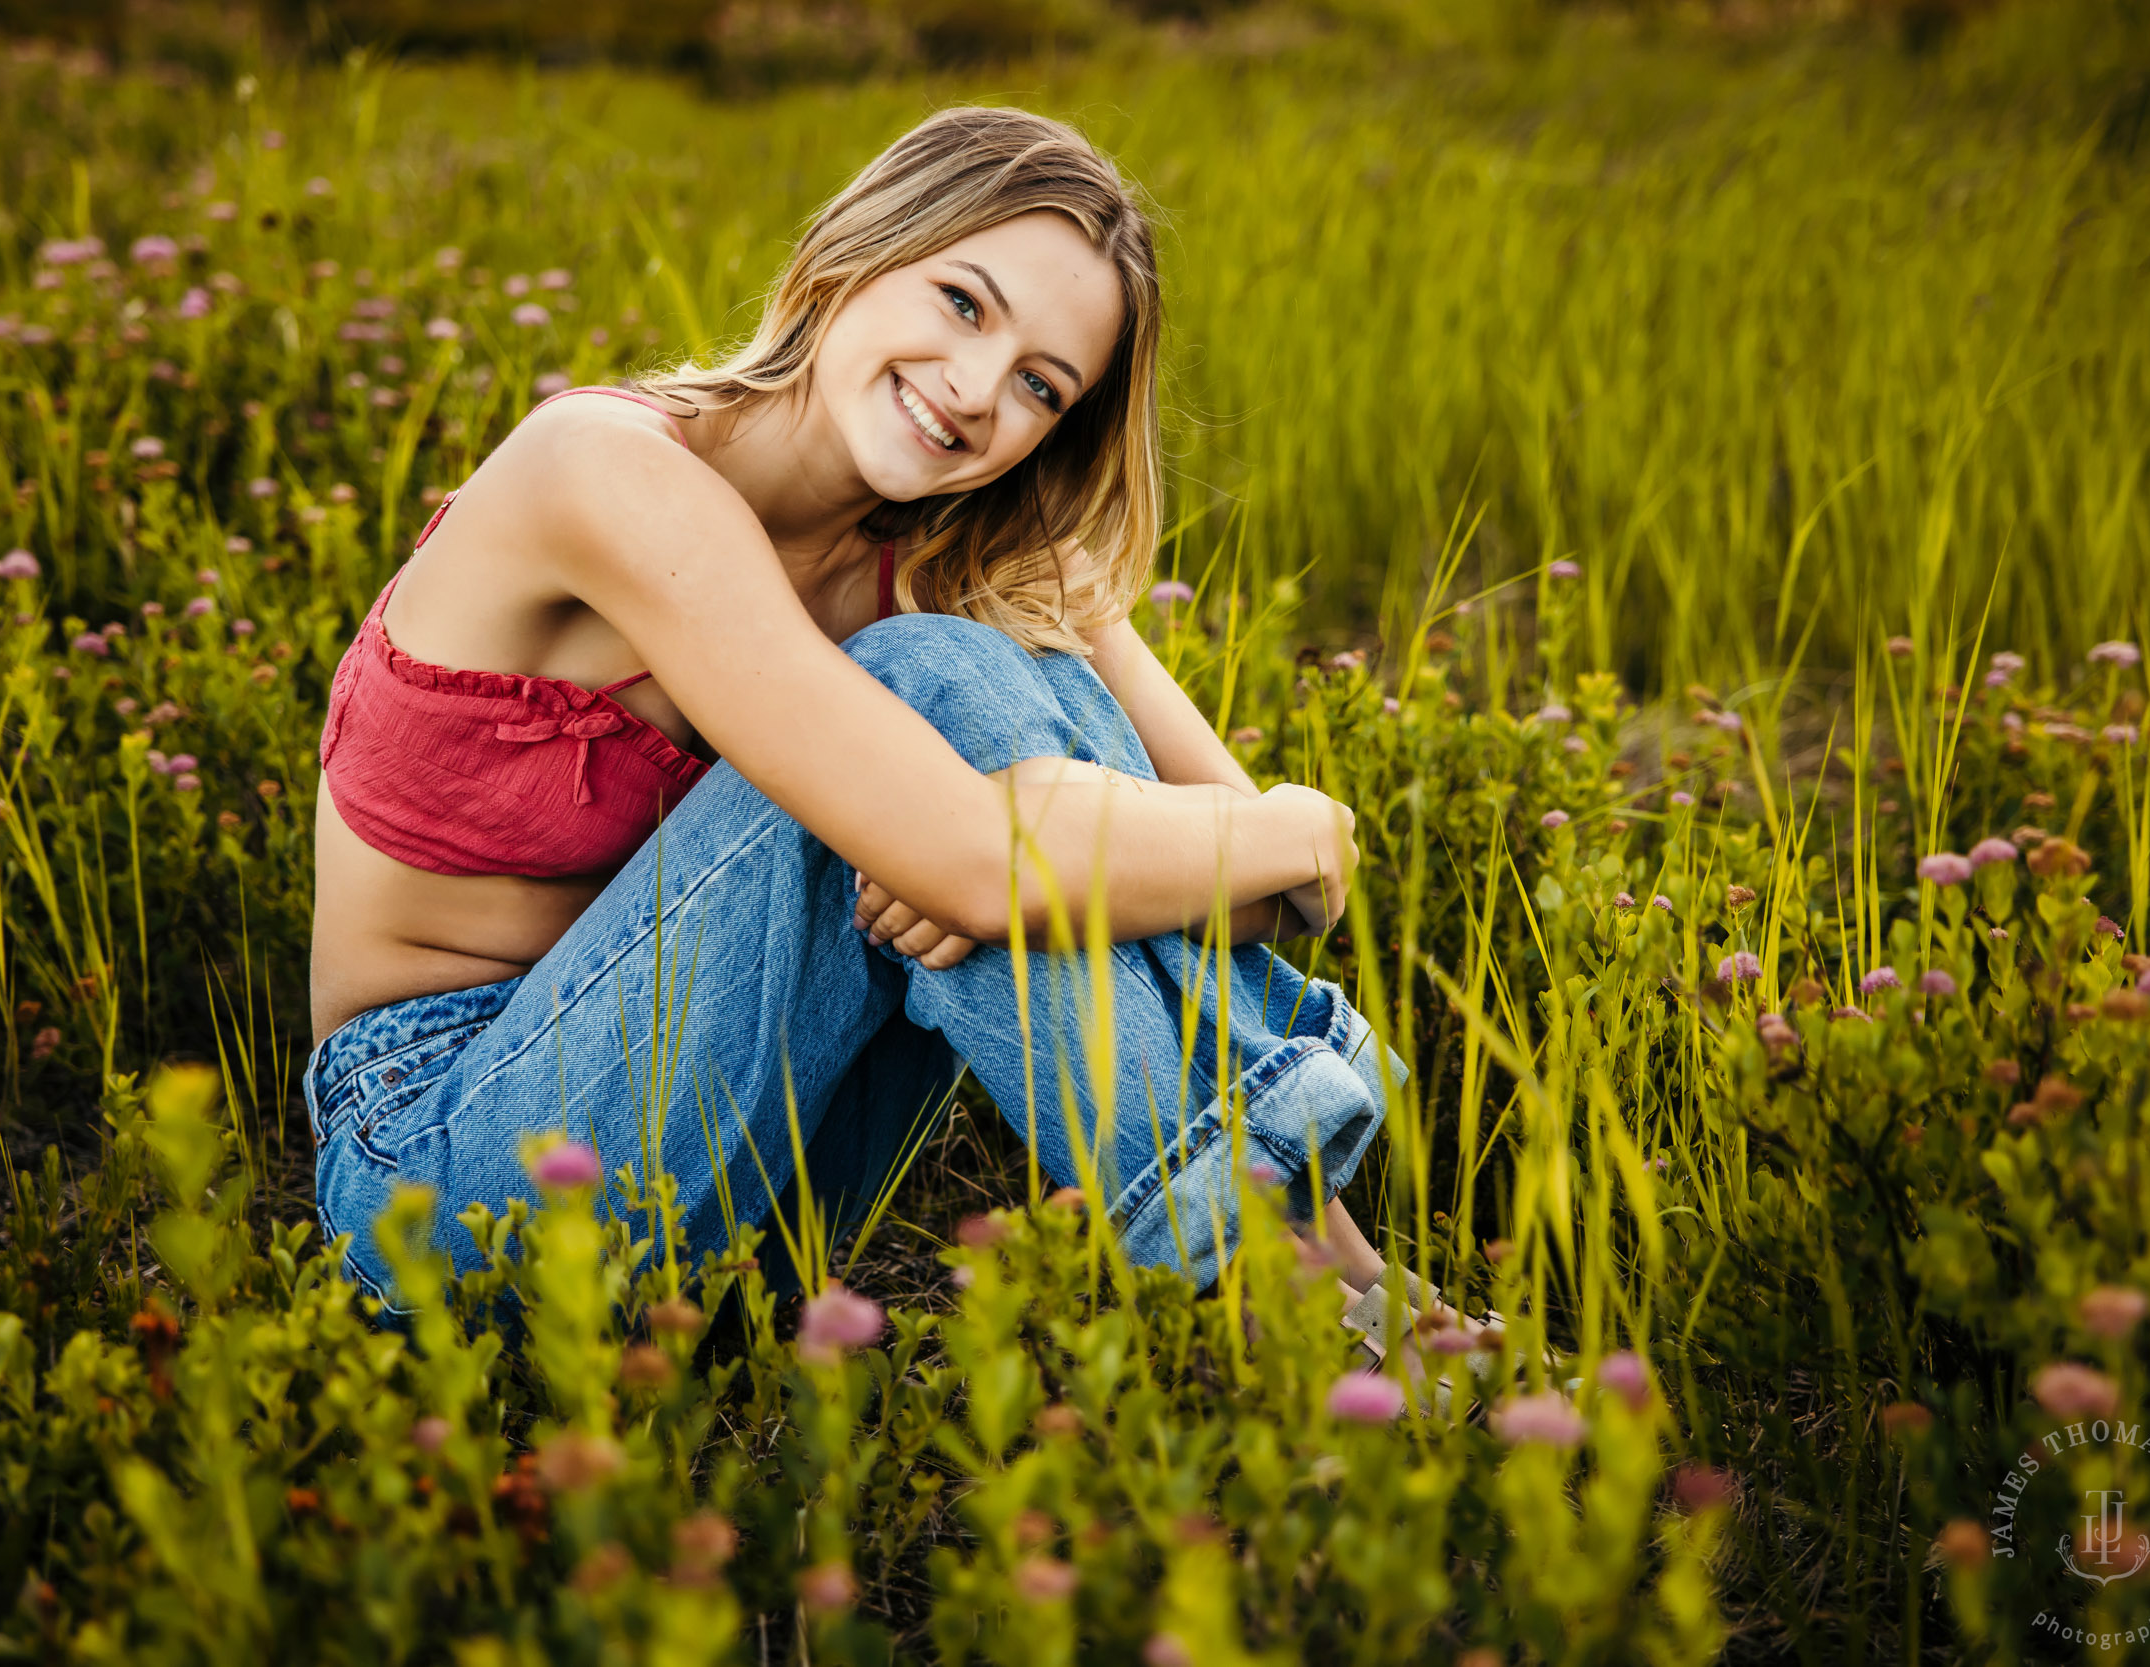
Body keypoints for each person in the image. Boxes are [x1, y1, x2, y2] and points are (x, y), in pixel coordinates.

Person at [306, 104, 1411, 1328]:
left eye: (1041, 385)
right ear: (856, 250)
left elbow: (1243, 876)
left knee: (964, 689)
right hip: (445, 1177)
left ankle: (1331, 1291)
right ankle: (1329, 1302)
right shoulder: (599, 471)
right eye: (962, 302)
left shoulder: (972, 556)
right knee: (928, 685)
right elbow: (1021, 867)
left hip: (755, 1209)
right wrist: (1268, 831)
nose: (978, 388)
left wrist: (1144, 838)